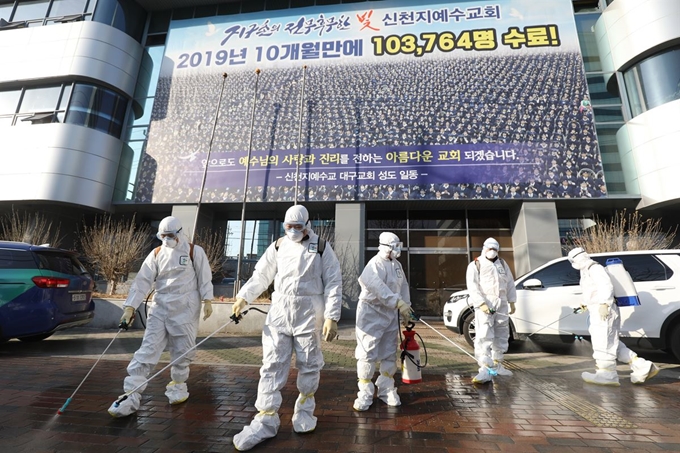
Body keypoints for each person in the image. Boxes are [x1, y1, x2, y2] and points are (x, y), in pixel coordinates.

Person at [231, 205, 342, 451]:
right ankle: (265, 420)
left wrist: (331, 316)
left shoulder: (322, 248)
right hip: (279, 313)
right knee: (271, 365)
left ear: (307, 225)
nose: (292, 231)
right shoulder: (278, 245)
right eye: (288, 227)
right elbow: (262, 274)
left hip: (309, 314)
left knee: (309, 365)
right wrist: (243, 297)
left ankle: (304, 412)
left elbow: (334, 281)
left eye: (298, 227)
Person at [108, 216, 214, 417]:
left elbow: (205, 277)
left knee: (183, 349)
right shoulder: (156, 253)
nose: (167, 239)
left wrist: (208, 299)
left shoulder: (194, 251)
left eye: (170, 235)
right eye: (163, 236)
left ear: (180, 233)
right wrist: (130, 307)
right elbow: (142, 281)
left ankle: (178, 385)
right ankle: (130, 395)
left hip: (186, 307)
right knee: (147, 349)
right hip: (160, 306)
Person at [567, 247, 659, 385]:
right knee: (611, 343)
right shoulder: (586, 271)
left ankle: (606, 375)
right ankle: (641, 365)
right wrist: (585, 304)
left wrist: (604, 303)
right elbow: (592, 291)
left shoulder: (594, 268)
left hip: (604, 310)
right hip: (598, 309)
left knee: (602, 342)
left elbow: (606, 286)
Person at [353, 232, 413, 411]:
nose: (398, 249)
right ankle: (364, 391)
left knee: (389, 352)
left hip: (389, 315)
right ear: (386, 247)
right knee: (367, 353)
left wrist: (406, 308)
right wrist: (397, 302)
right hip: (371, 313)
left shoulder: (397, 265)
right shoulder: (375, 264)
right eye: (395, 246)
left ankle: (386, 388)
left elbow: (403, 286)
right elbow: (377, 287)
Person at [466, 237, 516, 384]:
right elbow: (472, 285)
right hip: (486, 304)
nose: (492, 252)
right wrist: (481, 303)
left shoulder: (502, 264)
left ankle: (498, 364)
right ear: (484, 248)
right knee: (484, 335)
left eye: (495, 249)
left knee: (501, 334)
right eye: (490, 248)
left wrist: (512, 301)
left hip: (502, 303)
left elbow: (510, 282)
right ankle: (484, 369)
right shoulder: (476, 264)